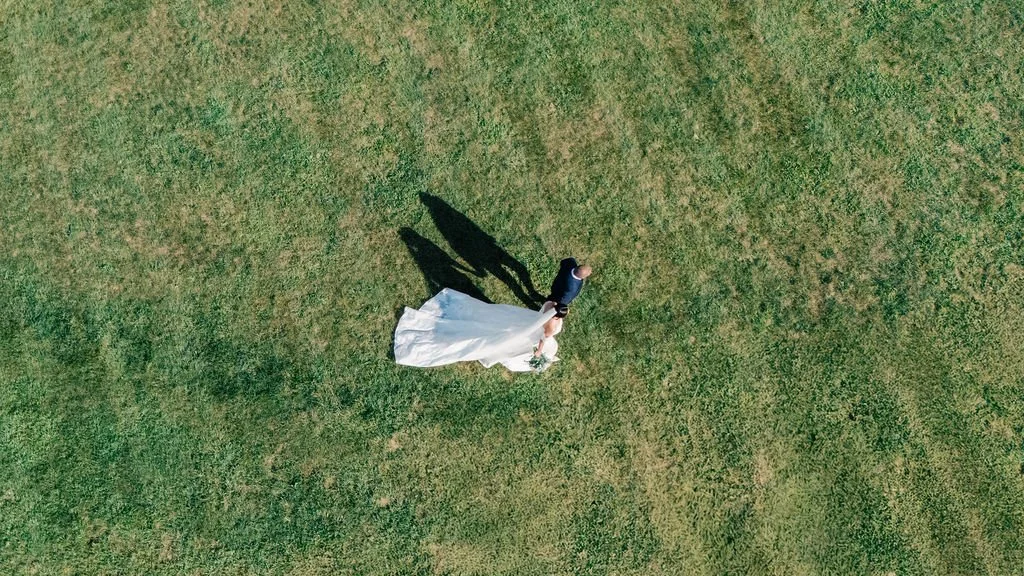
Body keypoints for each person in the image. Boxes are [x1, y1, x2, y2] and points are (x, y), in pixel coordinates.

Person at [393, 288, 559, 372]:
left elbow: (542, 315)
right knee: (488, 338)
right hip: (522, 330)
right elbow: (543, 338)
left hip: (521, 322)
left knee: (493, 321)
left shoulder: (552, 307)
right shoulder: (552, 325)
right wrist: (539, 353)